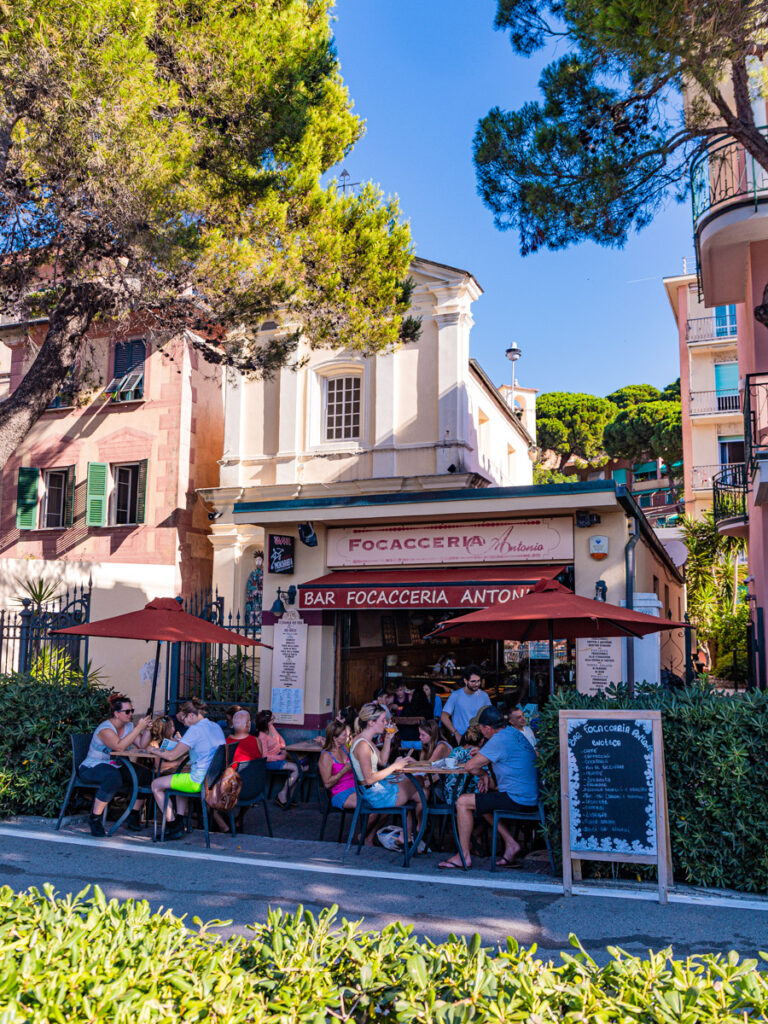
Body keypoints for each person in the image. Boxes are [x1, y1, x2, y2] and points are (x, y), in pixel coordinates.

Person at [439, 706, 538, 871]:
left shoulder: (498, 740)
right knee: (482, 797)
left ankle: (463, 856)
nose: (480, 732)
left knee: (463, 802)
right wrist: (485, 770)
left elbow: (470, 766)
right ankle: (511, 843)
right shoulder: (513, 733)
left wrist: (483, 770)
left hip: (518, 797)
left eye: (480, 728)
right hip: (529, 795)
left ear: (488, 728)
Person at [150, 699, 226, 841]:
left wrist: (154, 751)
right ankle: (180, 820)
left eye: (183, 719)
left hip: (196, 781)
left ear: (191, 716)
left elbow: (172, 755)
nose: (182, 723)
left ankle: (172, 825)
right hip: (213, 779)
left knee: (156, 785)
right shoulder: (215, 726)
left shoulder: (195, 730)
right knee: (180, 779)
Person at [78, 694, 152, 836]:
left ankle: (133, 814)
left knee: (146, 775)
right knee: (113, 777)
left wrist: (147, 730)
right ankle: (95, 818)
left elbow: (143, 744)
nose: (131, 714)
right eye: (127, 711)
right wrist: (138, 728)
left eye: (132, 711)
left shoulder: (129, 726)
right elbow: (119, 747)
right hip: (93, 766)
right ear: (116, 714)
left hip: (115, 765)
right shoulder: (105, 729)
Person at [349, 703, 419, 842]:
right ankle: (412, 834)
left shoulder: (366, 740)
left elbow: (382, 760)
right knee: (420, 784)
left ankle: (369, 837)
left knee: (418, 791)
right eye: (383, 720)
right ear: (371, 722)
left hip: (376, 789)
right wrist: (394, 766)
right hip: (374, 793)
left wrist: (388, 738)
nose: (386, 723)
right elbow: (369, 779)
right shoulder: (362, 745)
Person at [254, 709, 300, 808]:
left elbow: (281, 739)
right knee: (297, 769)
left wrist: (283, 748)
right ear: (266, 722)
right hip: (270, 762)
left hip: (280, 755)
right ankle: (282, 795)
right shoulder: (262, 737)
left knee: (303, 767)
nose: (274, 720)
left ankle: (289, 797)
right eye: (272, 719)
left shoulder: (271, 727)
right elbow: (265, 757)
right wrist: (281, 756)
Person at [440, 665, 491, 745]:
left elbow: (489, 715)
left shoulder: (484, 695)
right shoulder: (455, 695)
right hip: (461, 736)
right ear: (465, 681)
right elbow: (444, 716)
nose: (476, 684)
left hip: (479, 737)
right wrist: (456, 733)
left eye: (478, 681)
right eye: (473, 681)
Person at [318, 721, 357, 812]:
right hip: (340, 793)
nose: (347, 737)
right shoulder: (326, 756)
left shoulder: (345, 748)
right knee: (372, 803)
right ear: (335, 738)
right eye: (344, 735)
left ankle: (372, 826)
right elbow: (327, 784)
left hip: (356, 787)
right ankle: (365, 827)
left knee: (383, 799)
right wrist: (344, 770)